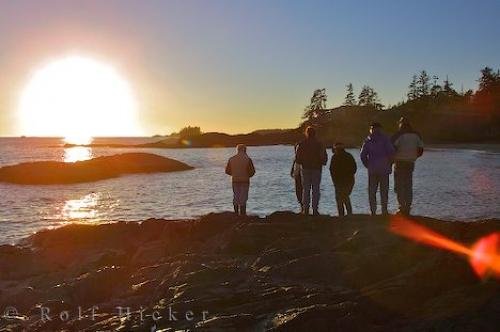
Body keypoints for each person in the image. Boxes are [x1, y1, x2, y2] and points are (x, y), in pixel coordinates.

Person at [360, 122, 395, 216]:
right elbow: (392, 153)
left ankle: (373, 211)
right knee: (384, 191)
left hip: (372, 169)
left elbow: (362, 155)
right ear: (380, 129)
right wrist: (390, 164)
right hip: (384, 169)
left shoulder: (368, 140)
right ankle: (384, 210)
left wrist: (367, 165)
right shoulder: (385, 139)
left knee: (372, 191)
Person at [391, 117, 424, 215]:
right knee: (408, 185)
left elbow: (392, 148)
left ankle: (401, 207)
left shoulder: (398, 135)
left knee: (399, 185)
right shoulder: (416, 135)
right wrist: (414, 157)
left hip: (399, 162)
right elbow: (421, 150)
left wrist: (391, 160)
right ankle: (408, 207)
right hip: (410, 163)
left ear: (401, 124)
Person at [295, 126, 327, 216]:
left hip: (305, 168)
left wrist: (302, 162)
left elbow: (297, 158)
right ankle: (315, 210)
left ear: (306, 133)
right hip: (317, 168)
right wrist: (321, 162)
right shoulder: (319, 144)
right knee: (316, 189)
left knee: (306, 189)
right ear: (315, 133)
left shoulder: (302, 144)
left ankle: (305, 210)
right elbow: (324, 158)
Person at [225, 144, 256, 216]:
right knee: (243, 198)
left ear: (237, 150)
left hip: (235, 180)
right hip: (245, 180)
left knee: (236, 196)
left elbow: (227, 171)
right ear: (245, 150)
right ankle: (243, 214)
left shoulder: (231, 159)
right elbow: (252, 171)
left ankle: (236, 214)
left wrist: (234, 174)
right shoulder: (248, 159)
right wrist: (248, 176)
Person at [329, 142, 357, 217]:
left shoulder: (334, 157)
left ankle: (341, 214)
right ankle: (349, 214)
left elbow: (332, 170)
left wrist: (334, 181)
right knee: (345, 196)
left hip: (339, 181)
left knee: (340, 198)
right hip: (349, 180)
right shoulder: (349, 156)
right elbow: (354, 168)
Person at [290, 144, 303, 210]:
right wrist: (292, 171)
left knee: (301, 191)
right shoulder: (295, 158)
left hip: (301, 176)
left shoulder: (301, 158)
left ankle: (303, 207)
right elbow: (293, 166)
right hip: (297, 176)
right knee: (298, 192)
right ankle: (302, 207)